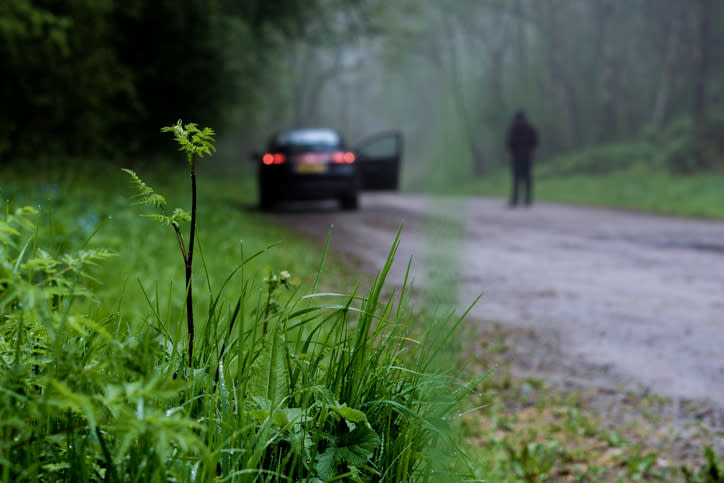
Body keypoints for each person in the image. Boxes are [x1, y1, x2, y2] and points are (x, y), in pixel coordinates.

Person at [506, 110, 539, 206]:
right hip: (528, 156)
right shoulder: (530, 127)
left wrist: (513, 151)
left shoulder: (513, 128)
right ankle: (528, 200)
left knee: (516, 179)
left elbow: (509, 142)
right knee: (528, 179)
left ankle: (515, 200)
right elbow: (536, 141)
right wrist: (531, 149)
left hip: (516, 157)